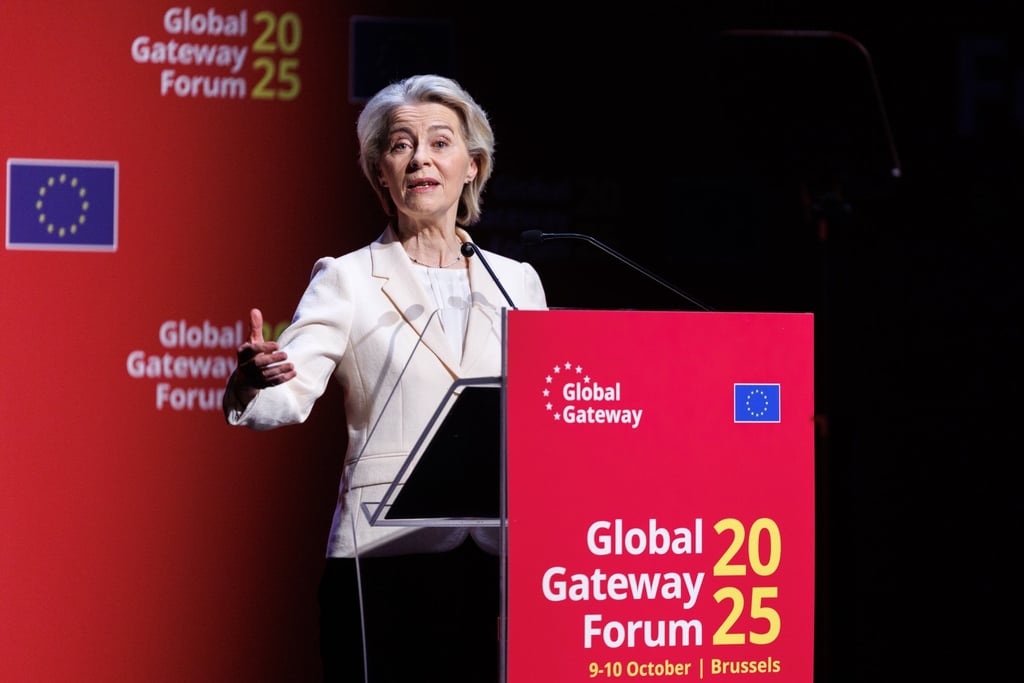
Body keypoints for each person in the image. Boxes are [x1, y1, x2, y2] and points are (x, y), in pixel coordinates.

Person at [222, 74, 548, 682]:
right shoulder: (347, 278)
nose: (420, 158)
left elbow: (547, 415)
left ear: (472, 166)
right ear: (381, 174)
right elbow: (289, 392)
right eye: (400, 145)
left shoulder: (518, 282)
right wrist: (254, 382)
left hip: (499, 557)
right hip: (382, 555)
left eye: (440, 142)